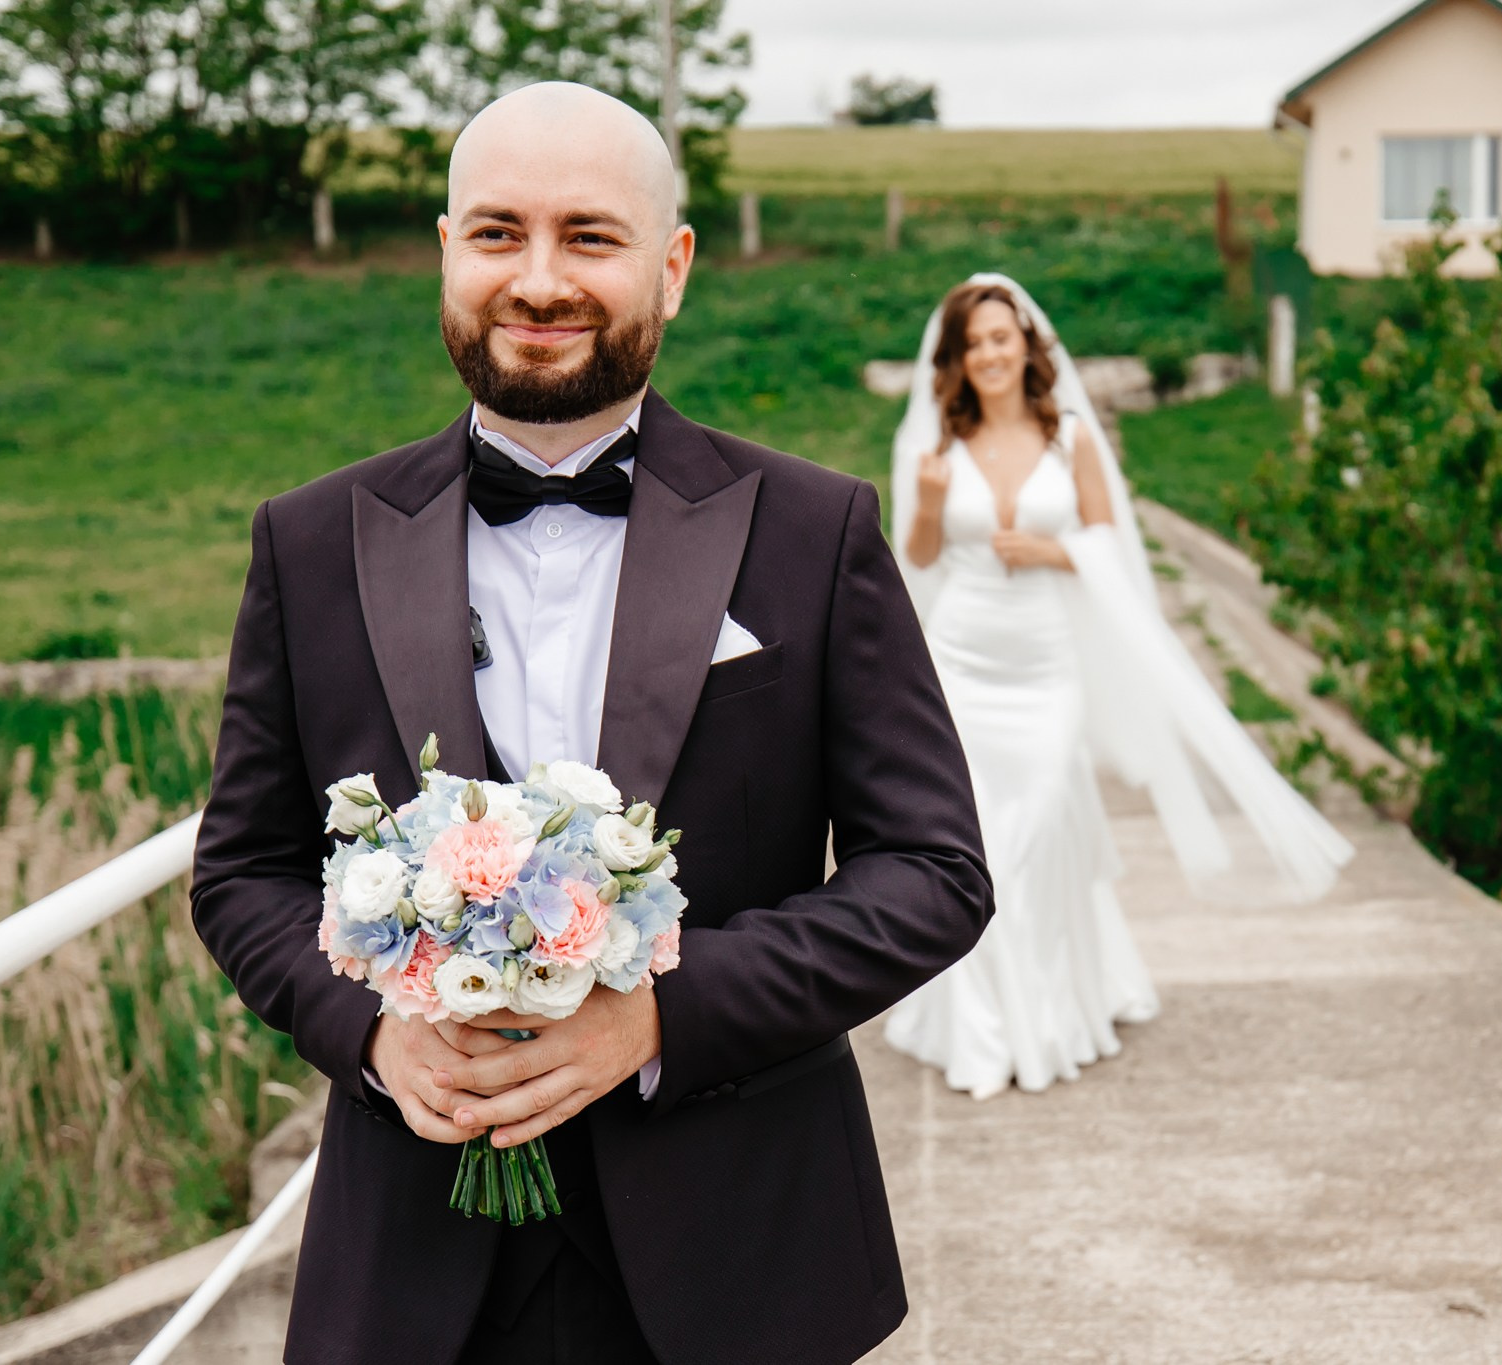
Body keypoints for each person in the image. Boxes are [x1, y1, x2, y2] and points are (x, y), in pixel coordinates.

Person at [189, 83, 991, 1365]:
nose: (539, 279)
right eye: (498, 233)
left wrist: (663, 1015)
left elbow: (934, 876)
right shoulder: (307, 540)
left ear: (670, 269)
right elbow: (240, 874)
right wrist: (377, 1036)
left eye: (590, 237)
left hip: (742, 1255)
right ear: (445, 251)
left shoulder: (811, 529)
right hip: (409, 1267)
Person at [882, 274, 1353, 1101]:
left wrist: (1053, 552)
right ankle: (985, 1027)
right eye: (974, 344)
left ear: (1026, 345)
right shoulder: (937, 446)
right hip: (962, 662)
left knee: (1033, 837)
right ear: (954, 359)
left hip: (1047, 668)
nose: (990, 354)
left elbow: (1106, 536)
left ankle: (1050, 1013)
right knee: (978, 845)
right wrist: (924, 503)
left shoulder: (1068, 437)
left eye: (1002, 337)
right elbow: (918, 559)